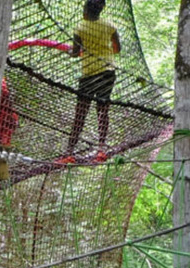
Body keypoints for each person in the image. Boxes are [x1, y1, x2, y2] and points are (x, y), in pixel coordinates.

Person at [61, 0, 121, 163]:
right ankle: (101, 148)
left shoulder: (80, 28)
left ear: (86, 11)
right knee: (102, 110)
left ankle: (69, 152)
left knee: (81, 113)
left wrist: (70, 52)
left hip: (89, 74)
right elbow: (117, 49)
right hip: (107, 72)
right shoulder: (110, 25)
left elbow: (75, 52)